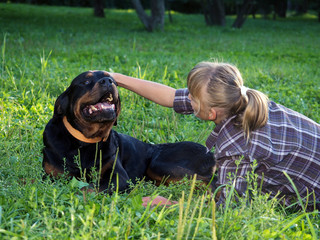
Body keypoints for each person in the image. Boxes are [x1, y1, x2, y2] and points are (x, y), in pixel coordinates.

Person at [110, 61, 320, 210]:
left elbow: (229, 208)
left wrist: (170, 205)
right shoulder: (240, 97)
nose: (187, 98)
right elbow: (172, 96)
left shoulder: (236, 146)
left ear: (211, 114)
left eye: (192, 98)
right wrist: (115, 78)